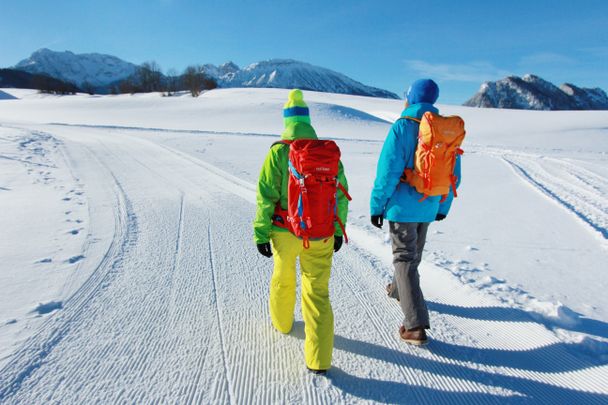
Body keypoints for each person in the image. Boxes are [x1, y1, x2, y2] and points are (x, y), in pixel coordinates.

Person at [254, 89, 349, 374]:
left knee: (283, 279)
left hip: (284, 232)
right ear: (308, 121)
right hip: (319, 232)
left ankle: (282, 324)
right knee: (317, 292)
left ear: (286, 122)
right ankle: (319, 360)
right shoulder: (327, 153)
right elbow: (341, 195)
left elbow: (265, 196)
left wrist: (261, 232)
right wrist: (336, 230)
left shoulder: (278, 152)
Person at [370, 79, 461, 345]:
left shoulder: (402, 127)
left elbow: (387, 172)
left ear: (409, 98)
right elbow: (454, 174)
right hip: (431, 203)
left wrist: (377, 205)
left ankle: (415, 325)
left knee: (405, 259)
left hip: (402, 207)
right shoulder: (444, 129)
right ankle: (399, 289)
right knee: (412, 256)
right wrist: (443, 207)